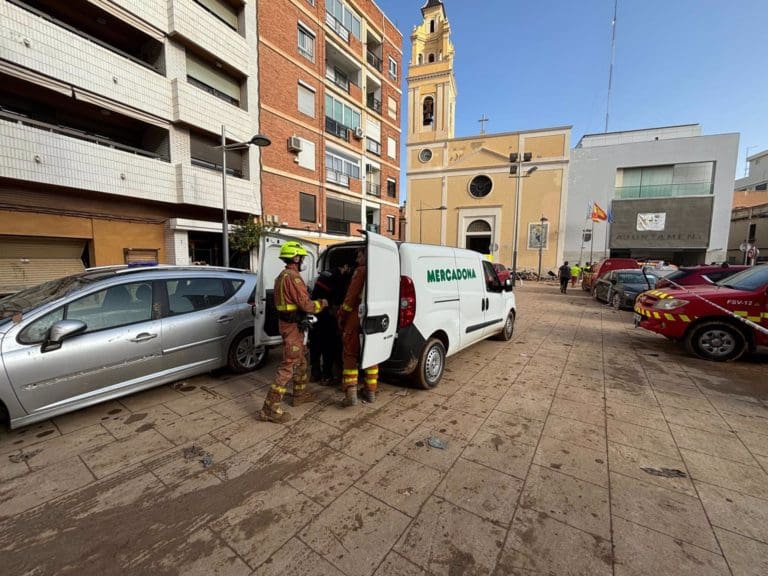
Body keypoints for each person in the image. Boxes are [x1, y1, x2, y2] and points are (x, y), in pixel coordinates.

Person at [259, 241, 327, 423]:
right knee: (288, 366)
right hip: (292, 328)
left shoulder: (282, 276)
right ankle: (269, 408)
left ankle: (300, 394)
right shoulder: (294, 278)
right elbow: (307, 305)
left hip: (289, 325)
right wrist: (323, 304)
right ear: (296, 258)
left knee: (302, 360)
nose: (304, 260)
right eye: (302, 257)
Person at [338, 248, 378, 406]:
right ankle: (370, 391)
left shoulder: (360, 271)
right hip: (375, 316)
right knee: (372, 354)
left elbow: (351, 297)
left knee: (350, 354)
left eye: (359, 255)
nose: (356, 259)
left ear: (366, 255)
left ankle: (351, 394)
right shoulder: (381, 270)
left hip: (356, 316)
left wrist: (341, 314)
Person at [309, 264, 351, 385]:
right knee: (328, 346)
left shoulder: (325, 272)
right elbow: (339, 302)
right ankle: (327, 376)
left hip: (315, 312)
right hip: (327, 315)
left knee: (315, 344)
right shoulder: (339, 277)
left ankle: (315, 373)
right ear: (345, 266)